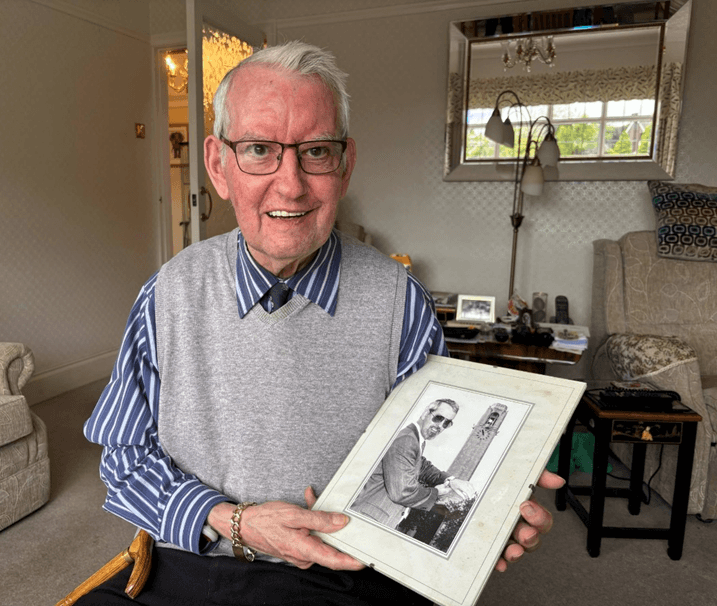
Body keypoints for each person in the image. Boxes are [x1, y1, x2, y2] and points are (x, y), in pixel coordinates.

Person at [81, 41, 563, 605]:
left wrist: (488, 512)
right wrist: (233, 521)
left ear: (345, 164)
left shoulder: (399, 302)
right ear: (218, 166)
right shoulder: (167, 293)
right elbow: (122, 457)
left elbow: (430, 446)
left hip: (347, 572)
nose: (290, 185)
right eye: (259, 149)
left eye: (315, 151)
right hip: (195, 558)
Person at [351, 399, 476, 529]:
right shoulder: (407, 440)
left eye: (447, 423)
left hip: (375, 517)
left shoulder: (416, 440)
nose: (440, 426)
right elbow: (401, 492)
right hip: (368, 517)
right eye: (438, 418)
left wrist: (452, 480)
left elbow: (423, 466)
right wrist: (436, 493)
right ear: (426, 413)